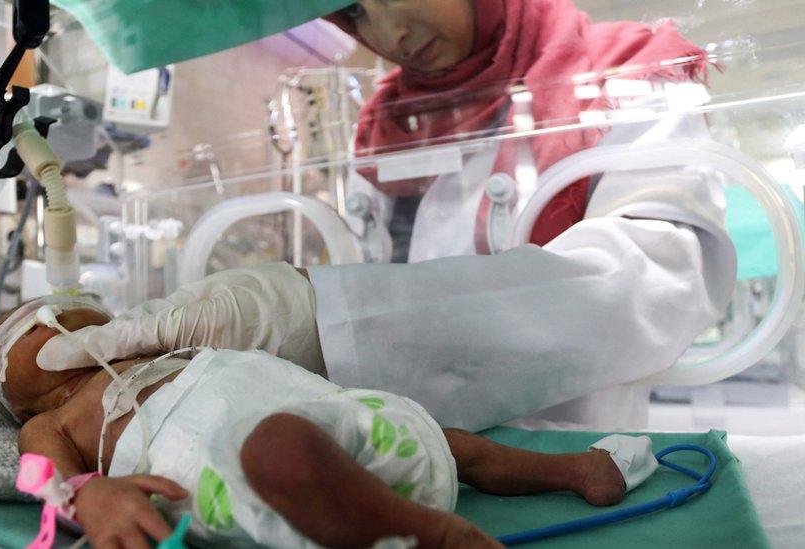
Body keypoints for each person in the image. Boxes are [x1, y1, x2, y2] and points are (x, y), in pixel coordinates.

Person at [37, 0, 737, 431]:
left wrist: (332, 319)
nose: (391, 30)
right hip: (414, 452)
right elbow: (371, 281)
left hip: (574, 449)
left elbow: (665, 279)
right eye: (355, 14)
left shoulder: (622, 75)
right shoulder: (386, 128)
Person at [0, 303, 650, 549]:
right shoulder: (54, 420)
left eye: (54, 314)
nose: (43, 322)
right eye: (22, 327)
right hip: (267, 484)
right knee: (277, 450)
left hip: (361, 435)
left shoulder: (161, 342)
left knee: (441, 438)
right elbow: (35, 471)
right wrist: (90, 493)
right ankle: (435, 533)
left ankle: (576, 468)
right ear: (17, 401)